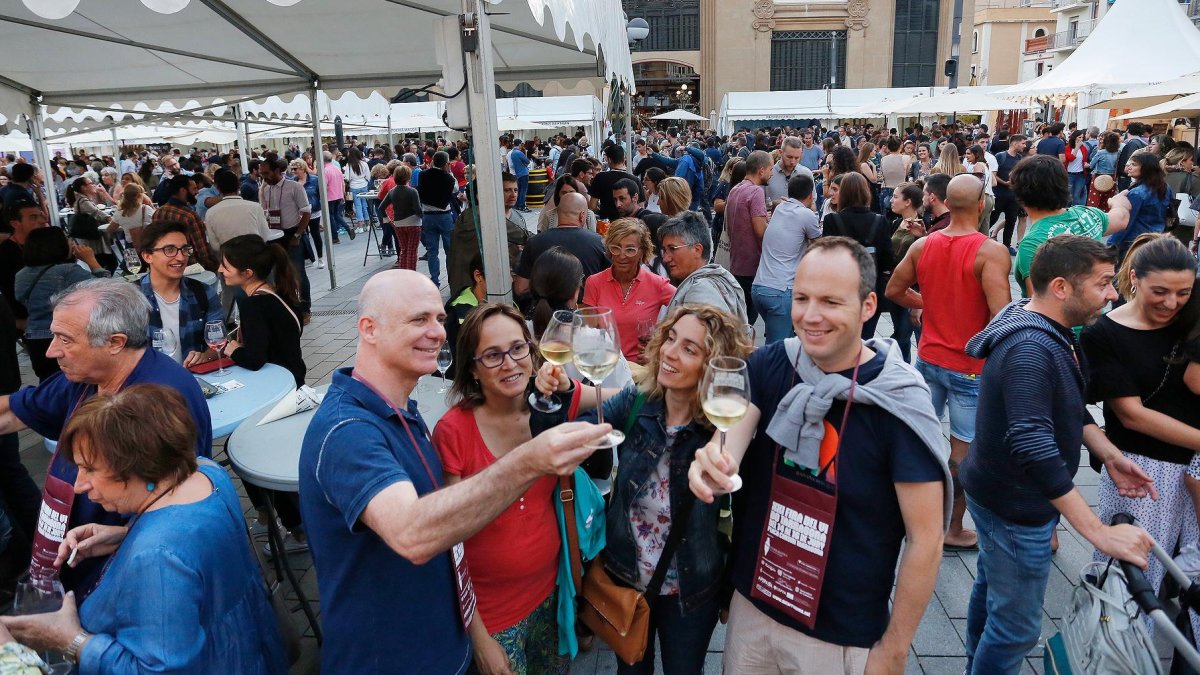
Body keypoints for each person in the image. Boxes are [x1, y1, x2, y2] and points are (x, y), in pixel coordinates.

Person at [297, 270, 611, 673]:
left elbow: (451, 538)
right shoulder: (348, 432)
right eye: (417, 320)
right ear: (368, 329)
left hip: (443, 647)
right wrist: (530, 459)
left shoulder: (401, 412)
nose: (437, 332)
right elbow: (412, 532)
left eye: (438, 319)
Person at [688, 236, 950, 674]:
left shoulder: (899, 403)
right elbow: (728, 440)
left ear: (868, 307)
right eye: (801, 298)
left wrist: (894, 650)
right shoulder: (773, 364)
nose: (811, 316)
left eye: (830, 301)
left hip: (839, 635)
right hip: (759, 604)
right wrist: (710, 461)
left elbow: (926, 540)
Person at [961, 235, 1156, 674]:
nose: (1113, 293)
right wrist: (1097, 532)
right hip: (1016, 506)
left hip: (996, 492)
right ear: (1062, 288)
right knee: (1016, 629)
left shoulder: (1042, 326)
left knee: (992, 592)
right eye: (1104, 283)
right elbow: (1031, 443)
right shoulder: (1032, 349)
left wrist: (1107, 453)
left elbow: (1064, 406)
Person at [0, 385, 287, 673]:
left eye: (90, 469)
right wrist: (126, 535)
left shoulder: (157, 558)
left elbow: (155, 669)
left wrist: (72, 640)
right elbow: (197, 540)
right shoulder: (206, 472)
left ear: (139, 465)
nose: (79, 485)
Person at [534, 304, 752, 674]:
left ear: (713, 366)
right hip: (627, 581)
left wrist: (732, 590)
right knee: (631, 669)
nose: (669, 351)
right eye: (671, 338)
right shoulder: (638, 402)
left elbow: (743, 516)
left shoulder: (722, 435)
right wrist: (550, 398)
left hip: (691, 591)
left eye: (689, 348)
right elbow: (572, 435)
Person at [0, 279, 212, 599]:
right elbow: (13, 412)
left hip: (121, 580)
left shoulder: (157, 401)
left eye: (64, 339)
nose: (50, 350)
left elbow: (176, 516)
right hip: (76, 562)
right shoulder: (86, 376)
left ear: (115, 342)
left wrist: (125, 534)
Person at [431, 304, 569, 674]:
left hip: (553, 597)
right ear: (472, 368)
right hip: (493, 616)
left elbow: (620, 399)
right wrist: (478, 638)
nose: (510, 363)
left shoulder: (547, 408)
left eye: (518, 348)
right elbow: (450, 543)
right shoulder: (454, 431)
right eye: (493, 355)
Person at [1081, 233, 1200, 642]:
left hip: (1193, 467)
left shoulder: (1192, 316)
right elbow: (1131, 416)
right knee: (1131, 579)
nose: (1172, 303)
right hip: (1144, 470)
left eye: (1184, 292)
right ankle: (1117, 658)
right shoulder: (1103, 334)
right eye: (1160, 292)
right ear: (1134, 278)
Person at [887, 174, 1013, 551]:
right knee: (962, 454)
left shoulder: (923, 245)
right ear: (980, 207)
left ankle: (908, 515)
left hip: (928, 358)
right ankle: (950, 528)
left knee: (920, 440)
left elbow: (894, 290)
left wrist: (928, 305)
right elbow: (1002, 317)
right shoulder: (990, 252)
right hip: (969, 368)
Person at [1011, 155, 1130, 297]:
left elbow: (1040, 307)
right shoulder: (1087, 214)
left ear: (1019, 194)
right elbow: (1121, 218)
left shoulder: (1031, 245)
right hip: (1094, 311)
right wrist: (1118, 202)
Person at [14, 228, 109, 381]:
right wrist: (92, 261)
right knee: (72, 384)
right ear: (57, 245)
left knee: (48, 384)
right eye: (67, 239)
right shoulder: (67, 271)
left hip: (34, 338)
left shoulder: (21, 274)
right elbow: (107, 292)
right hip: (63, 336)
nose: (71, 243)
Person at [583, 218, 675, 362]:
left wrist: (660, 346)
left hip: (639, 370)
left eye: (630, 249)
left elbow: (690, 309)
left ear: (642, 252)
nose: (622, 255)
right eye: (616, 247)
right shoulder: (594, 282)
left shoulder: (658, 284)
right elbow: (589, 333)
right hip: (603, 365)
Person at [218, 234, 305, 387]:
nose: (220, 270)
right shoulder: (281, 294)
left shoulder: (254, 306)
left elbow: (255, 360)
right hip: (294, 379)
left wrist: (234, 350)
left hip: (278, 386)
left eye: (226, 266)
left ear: (247, 273)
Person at [137, 220, 223, 367]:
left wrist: (205, 356)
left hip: (193, 381)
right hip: (149, 386)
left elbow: (219, 343)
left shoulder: (203, 293)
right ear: (147, 256)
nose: (181, 257)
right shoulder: (128, 299)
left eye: (184, 249)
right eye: (169, 250)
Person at [822, 172, 893, 340]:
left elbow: (826, 257)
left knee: (839, 338)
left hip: (839, 289)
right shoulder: (879, 221)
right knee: (865, 339)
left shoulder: (832, 220)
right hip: (869, 288)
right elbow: (887, 260)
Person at [752, 173, 820, 344]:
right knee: (778, 349)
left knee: (784, 342)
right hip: (780, 292)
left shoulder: (780, 209)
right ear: (811, 195)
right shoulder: (806, 215)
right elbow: (820, 242)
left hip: (759, 288)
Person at [513, 193, 608, 297]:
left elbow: (520, 289)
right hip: (586, 310)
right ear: (582, 216)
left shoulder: (534, 242)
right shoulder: (599, 242)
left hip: (544, 311)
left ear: (557, 213)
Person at [660, 211, 748, 323]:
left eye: (672, 248)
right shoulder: (714, 278)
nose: (666, 258)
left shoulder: (700, 292)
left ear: (697, 250)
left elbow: (705, 338)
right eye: (664, 250)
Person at [448, 174, 529, 293]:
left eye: (515, 190)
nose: (513, 194)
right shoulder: (474, 217)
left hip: (506, 285)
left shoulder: (517, 216)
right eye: (507, 190)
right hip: (473, 289)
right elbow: (522, 236)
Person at [258, 158, 311, 323]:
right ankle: (287, 307)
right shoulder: (266, 190)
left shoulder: (294, 187)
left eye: (266, 173)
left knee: (298, 273)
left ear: (277, 170)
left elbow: (306, 212)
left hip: (292, 233)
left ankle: (305, 309)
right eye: (262, 174)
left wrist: (297, 235)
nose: (264, 177)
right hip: (274, 235)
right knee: (278, 273)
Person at [725, 151, 772, 327]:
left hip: (737, 262)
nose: (771, 173)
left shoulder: (735, 190)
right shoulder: (755, 192)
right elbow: (761, 231)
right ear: (761, 170)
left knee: (741, 317)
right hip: (752, 264)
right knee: (747, 321)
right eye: (770, 169)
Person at [1109, 153, 1174, 261]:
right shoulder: (1165, 187)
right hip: (1157, 237)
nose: (1129, 166)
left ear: (1146, 168)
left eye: (1134, 164)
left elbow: (1127, 222)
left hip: (1134, 241)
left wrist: (1111, 244)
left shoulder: (1137, 193)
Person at [149, 174, 218, 272]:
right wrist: (213, 265)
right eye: (194, 189)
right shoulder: (189, 215)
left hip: (165, 265)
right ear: (183, 191)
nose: (197, 192)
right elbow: (201, 250)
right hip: (192, 268)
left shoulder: (158, 212)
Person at [204, 168, 276, 251]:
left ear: (218, 188)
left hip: (229, 258)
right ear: (239, 186)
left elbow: (215, 246)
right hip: (254, 255)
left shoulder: (211, 213)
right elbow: (265, 235)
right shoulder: (255, 207)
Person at [417, 151, 458, 288]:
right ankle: (452, 278)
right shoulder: (449, 178)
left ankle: (434, 279)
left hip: (428, 216)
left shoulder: (423, 175)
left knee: (432, 251)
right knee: (449, 250)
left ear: (433, 161)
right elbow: (455, 190)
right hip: (444, 216)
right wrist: (450, 172)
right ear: (446, 163)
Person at [379, 164, 423, 271]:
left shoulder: (392, 191)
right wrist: (423, 217)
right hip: (413, 223)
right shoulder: (412, 191)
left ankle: (403, 273)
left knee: (403, 249)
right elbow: (418, 210)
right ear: (408, 177)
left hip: (398, 224)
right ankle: (411, 273)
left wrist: (388, 220)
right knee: (412, 251)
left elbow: (381, 208)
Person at [990, 134, 1027, 254]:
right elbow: (993, 175)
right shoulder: (1000, 156)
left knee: (1011, 221)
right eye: (1023, 143)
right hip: (999, 195)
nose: (1024, 145)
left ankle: (1006, 246)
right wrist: (1005, 183)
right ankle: (981, 241)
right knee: (992, 219)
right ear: (1015, 143)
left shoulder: (1020, 158)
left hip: (1013, 196)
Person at [288, 159, 326, 270]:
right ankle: (308, 258)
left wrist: (317, 204)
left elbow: (320, 195)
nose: (294, 171)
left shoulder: (314, 180)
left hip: (313, 212)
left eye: (296, 169)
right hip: (298, 213)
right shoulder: (292, 182)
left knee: (315, 234)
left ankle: (320, 258)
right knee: (302, 236)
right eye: (292, 169)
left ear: (303, 168)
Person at [764, 137, 814, 209]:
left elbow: (813, 204)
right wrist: (773, 204)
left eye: (797, 158)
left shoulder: (807, 174)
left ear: (801, 154)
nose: (793, 162)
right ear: (780, 152)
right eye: (789, 157)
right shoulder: (768, 174)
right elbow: (758, 205)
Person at [343, 147, 372, 226]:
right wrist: (365, 181)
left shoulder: (349, 165)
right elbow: (368, 176)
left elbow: (347, 178)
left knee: (357, 205)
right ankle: (367, 221)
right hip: (364, 185)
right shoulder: (364, 163)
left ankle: (360, 223)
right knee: (364, 204)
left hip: (354, 186)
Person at [1065, 130, 1089, 206]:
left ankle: (1076, 212)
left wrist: (1086, 164)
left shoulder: (1084, 149)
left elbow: (1084, 160)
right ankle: (1067, 211)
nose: (1081, 139)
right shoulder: (1068, 148)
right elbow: (1071, 158)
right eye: (1079, 137)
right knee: (1068, 195)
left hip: (1080, 174)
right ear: (1074, 137)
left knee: (1077, 195)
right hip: (1070, 174)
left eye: (1082, 137)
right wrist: (1077, 147)